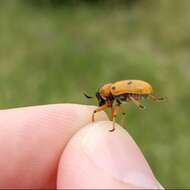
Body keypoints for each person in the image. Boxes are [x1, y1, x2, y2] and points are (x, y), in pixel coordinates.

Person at [0, 104, 163, 189]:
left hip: (136, 90)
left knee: (112, 113)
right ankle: (104, 125)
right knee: (116, 113)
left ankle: (103, 125)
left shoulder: (112, 94)